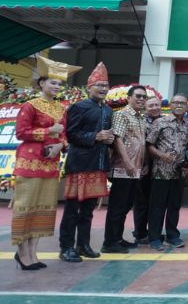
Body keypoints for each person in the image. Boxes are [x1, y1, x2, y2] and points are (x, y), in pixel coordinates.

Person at [12, 57, 80, 270]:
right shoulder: (29, 105)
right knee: (27, 207)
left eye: (59, 84)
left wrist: (61, 145)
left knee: (44, 209)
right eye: (53, 82)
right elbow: (21, 133)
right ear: (41, 83)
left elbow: (65, 135)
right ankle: (23, 253)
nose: (57, 86)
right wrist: (48, 132)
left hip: (50, 164)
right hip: (30, 163)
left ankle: (33, 252)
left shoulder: (61, 108)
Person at [58, 62, 114, 263]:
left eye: (106, 86)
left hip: (98, 165)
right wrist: (95, 136)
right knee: (73, 208)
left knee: (89, 209)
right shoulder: (78, 107)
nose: (103, 89)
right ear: (89, 88)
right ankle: (66, 247)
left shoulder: (108, 110)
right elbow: (71, 134)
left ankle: (83, 244)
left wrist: (109, 139)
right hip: (80, 164)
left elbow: (107, 136)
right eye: (99, 85)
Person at [102, 85, 149, 254]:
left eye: (144, 97)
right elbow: (117, 139)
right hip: (123, 168)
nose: (141, 99)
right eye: (138, 96)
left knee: (126, 205)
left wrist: (140, 165)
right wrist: (128, 162)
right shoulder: (122, 114)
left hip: (135, 169)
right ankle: (109, 242)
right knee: (117, 206)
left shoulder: (141, 118)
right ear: (129, 98)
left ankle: (118, 238)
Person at [146, 94, 188, 250]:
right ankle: (154, 237)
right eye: (176, 103)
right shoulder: (160, 122)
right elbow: (149, 145)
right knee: (157, 206)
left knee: (174, 206)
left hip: (179, 173)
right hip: (161, 171)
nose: (179, 105)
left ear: (187, 106)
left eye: (183, 103)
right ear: (171, 105)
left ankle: (172, 235)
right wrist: (162, 155)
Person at [132, 96, 163, 245]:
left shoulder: (166, 121)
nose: (155, 108)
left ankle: (154, 232)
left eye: (157, 105)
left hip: (162, 167)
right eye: (151, 105)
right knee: (142, 202)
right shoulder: (141, 122)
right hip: (144, 165)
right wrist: (143, 164)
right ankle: (140, 232)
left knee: (157, 202)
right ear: (145, 107)